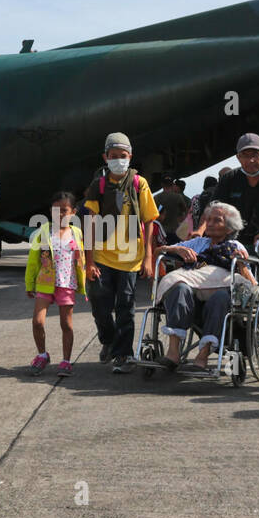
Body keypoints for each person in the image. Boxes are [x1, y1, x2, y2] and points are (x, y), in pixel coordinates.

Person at [204, 134, 259, 366]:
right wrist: (201, 230)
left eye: (256, 154)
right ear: (238, 157)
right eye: (246, 155)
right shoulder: (230, 178)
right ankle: (237, 341)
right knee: (234, 289)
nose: (251, 160)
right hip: (239, 244)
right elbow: (214, 208)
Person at [83, 132, 160, 373]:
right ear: (105, 157)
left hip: (130, 256)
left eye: (123, 156)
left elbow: (149, 220)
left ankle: (123, 355)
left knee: (125, 305)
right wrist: (89, 261)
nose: (118, 160)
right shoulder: (99, 185)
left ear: (130, 156)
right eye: (113, 156)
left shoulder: (139, 183)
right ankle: (108, 339)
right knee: (99, 301)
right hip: (102, 255)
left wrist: (148, 255)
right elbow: (90, 222)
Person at [153, 203, 255, 371]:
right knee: (179, 288)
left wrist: (242, 265)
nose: (210, 223)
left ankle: (203, 354)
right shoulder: (198, 242)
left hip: (220, 295)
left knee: (220, 297)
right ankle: (173, 352)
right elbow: (158, 253)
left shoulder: (236, 247)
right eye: (208, 219)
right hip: (192, 294)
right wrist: (176, 249)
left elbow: (251, 284)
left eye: (217, 220)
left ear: (229, 228)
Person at [24, 192, 86, 376]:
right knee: (37, 321)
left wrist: (88, 272)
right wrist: (30, 283)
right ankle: (42, 355)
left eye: (64, 210)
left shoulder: (77, 233)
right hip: (45, 283)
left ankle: (66, 361)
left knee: (66, 325)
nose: (59, 214)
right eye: (55, 210)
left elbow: (81, 257)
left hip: (67, 284)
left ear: (73, 212)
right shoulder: (43, 232)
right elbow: (33, 260)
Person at [153, 177, 190, 245]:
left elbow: (153, 213)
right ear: (172, 185)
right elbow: (185, 211)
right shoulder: (178, 197)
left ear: (162, 184)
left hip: (161, 230)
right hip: (175, 230)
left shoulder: (156, 197)